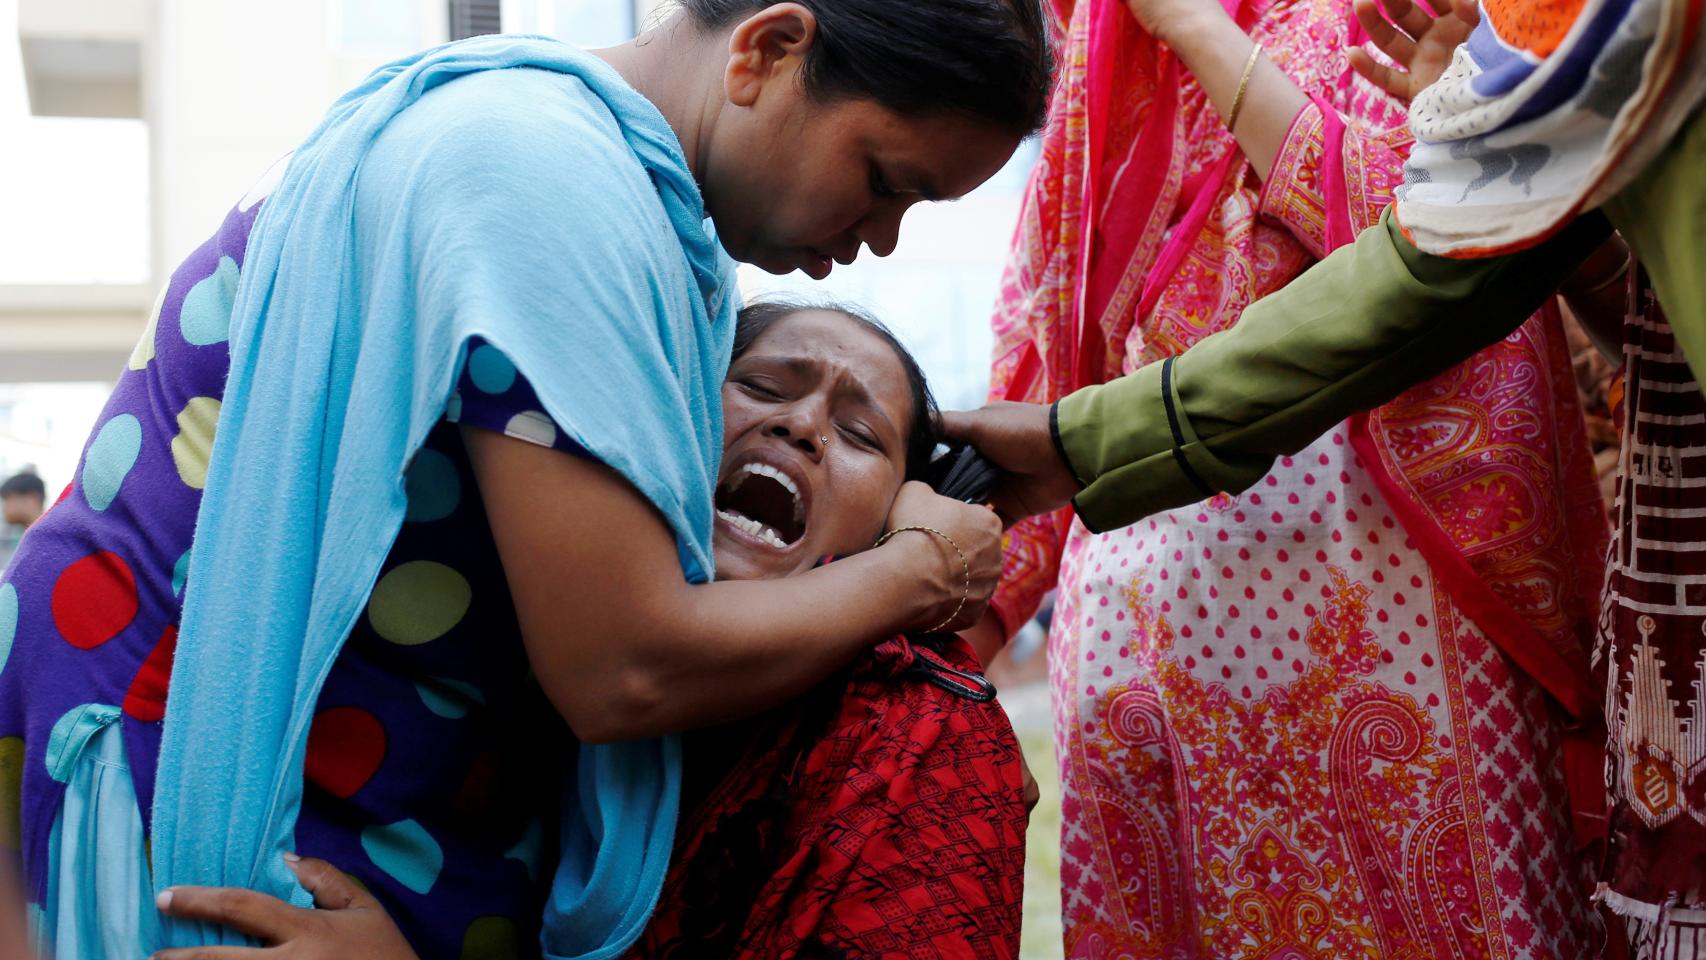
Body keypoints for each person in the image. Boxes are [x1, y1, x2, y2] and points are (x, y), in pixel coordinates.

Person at [0, 3, 1051, 957]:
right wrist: (920, 570)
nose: (878, 239)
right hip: (175, 805)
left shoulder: (587, 177)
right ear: (768, 51)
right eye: (882, 180)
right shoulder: (549, 183)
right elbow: (622, 669)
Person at [944, 0, 1706, 952]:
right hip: (1140, 623)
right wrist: (965, 619)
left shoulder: (1439, 18)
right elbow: (1050, 332)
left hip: (1394, 603)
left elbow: (1436, 246)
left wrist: (1196, 32)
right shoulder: (1101, 37)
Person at [153, 301, 1033, 960]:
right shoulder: (545, 661)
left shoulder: (923, 738)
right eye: (762, 386)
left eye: (857, 433)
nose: (799, 425)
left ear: (894, 525)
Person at [0, 472, 45, 569]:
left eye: (8, 499)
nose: (5, 507)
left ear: (32, 497)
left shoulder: (48, 538)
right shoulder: (23, 537)